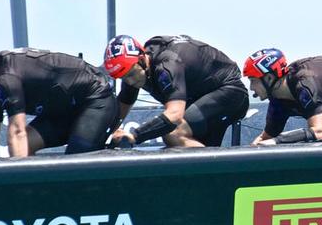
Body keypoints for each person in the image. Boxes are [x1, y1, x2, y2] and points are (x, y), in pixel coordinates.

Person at [0, 48, 117, 157]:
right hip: (65, 110)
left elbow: (17, 132)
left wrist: (19, 185)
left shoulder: (5, 80)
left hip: (94, 99)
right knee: (26, 144)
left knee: (77, 158)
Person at [103, 34, 248, 147]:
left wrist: (135, 135)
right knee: (186, 141)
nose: (130, 81)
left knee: (174, 133)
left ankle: (217, 179)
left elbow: (174, 115)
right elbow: (120, 110)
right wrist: (105, 136)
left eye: (131, 74)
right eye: (123, 78)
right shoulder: (133, 69)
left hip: (230, 92)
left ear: (141, 59)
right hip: (201, 98)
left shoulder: (167, 65)